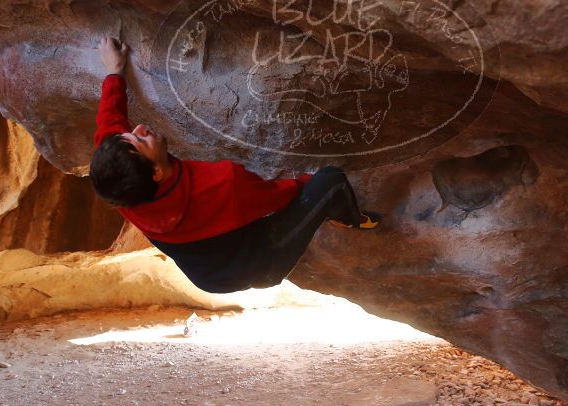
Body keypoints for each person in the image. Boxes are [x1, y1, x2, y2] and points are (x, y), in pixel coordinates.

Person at [89, 37, 380, 293]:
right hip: (261, 264)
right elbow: (280, 194)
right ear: (155, 172)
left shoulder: (122, 187)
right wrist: (307, 180)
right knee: (331, 180)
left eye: (131, 134)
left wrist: (114, 72)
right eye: (140, 141)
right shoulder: (221, 185)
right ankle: (351, 218)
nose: (139, 128)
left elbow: (110, 124)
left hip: (207, 278)